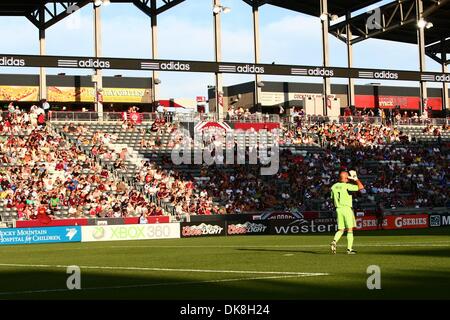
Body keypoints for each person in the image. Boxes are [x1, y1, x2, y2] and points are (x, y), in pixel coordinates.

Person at [330, 170, 365, 255]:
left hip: (338, 209)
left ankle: (334, 241)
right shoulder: (347, 186)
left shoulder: (333, 186)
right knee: (350, 230)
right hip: (346, 208)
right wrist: (356, 179)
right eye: (348, 176)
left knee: (341, 229)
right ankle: (349, 249)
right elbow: (361, 187)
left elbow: (332, 198)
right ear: (346, 177)